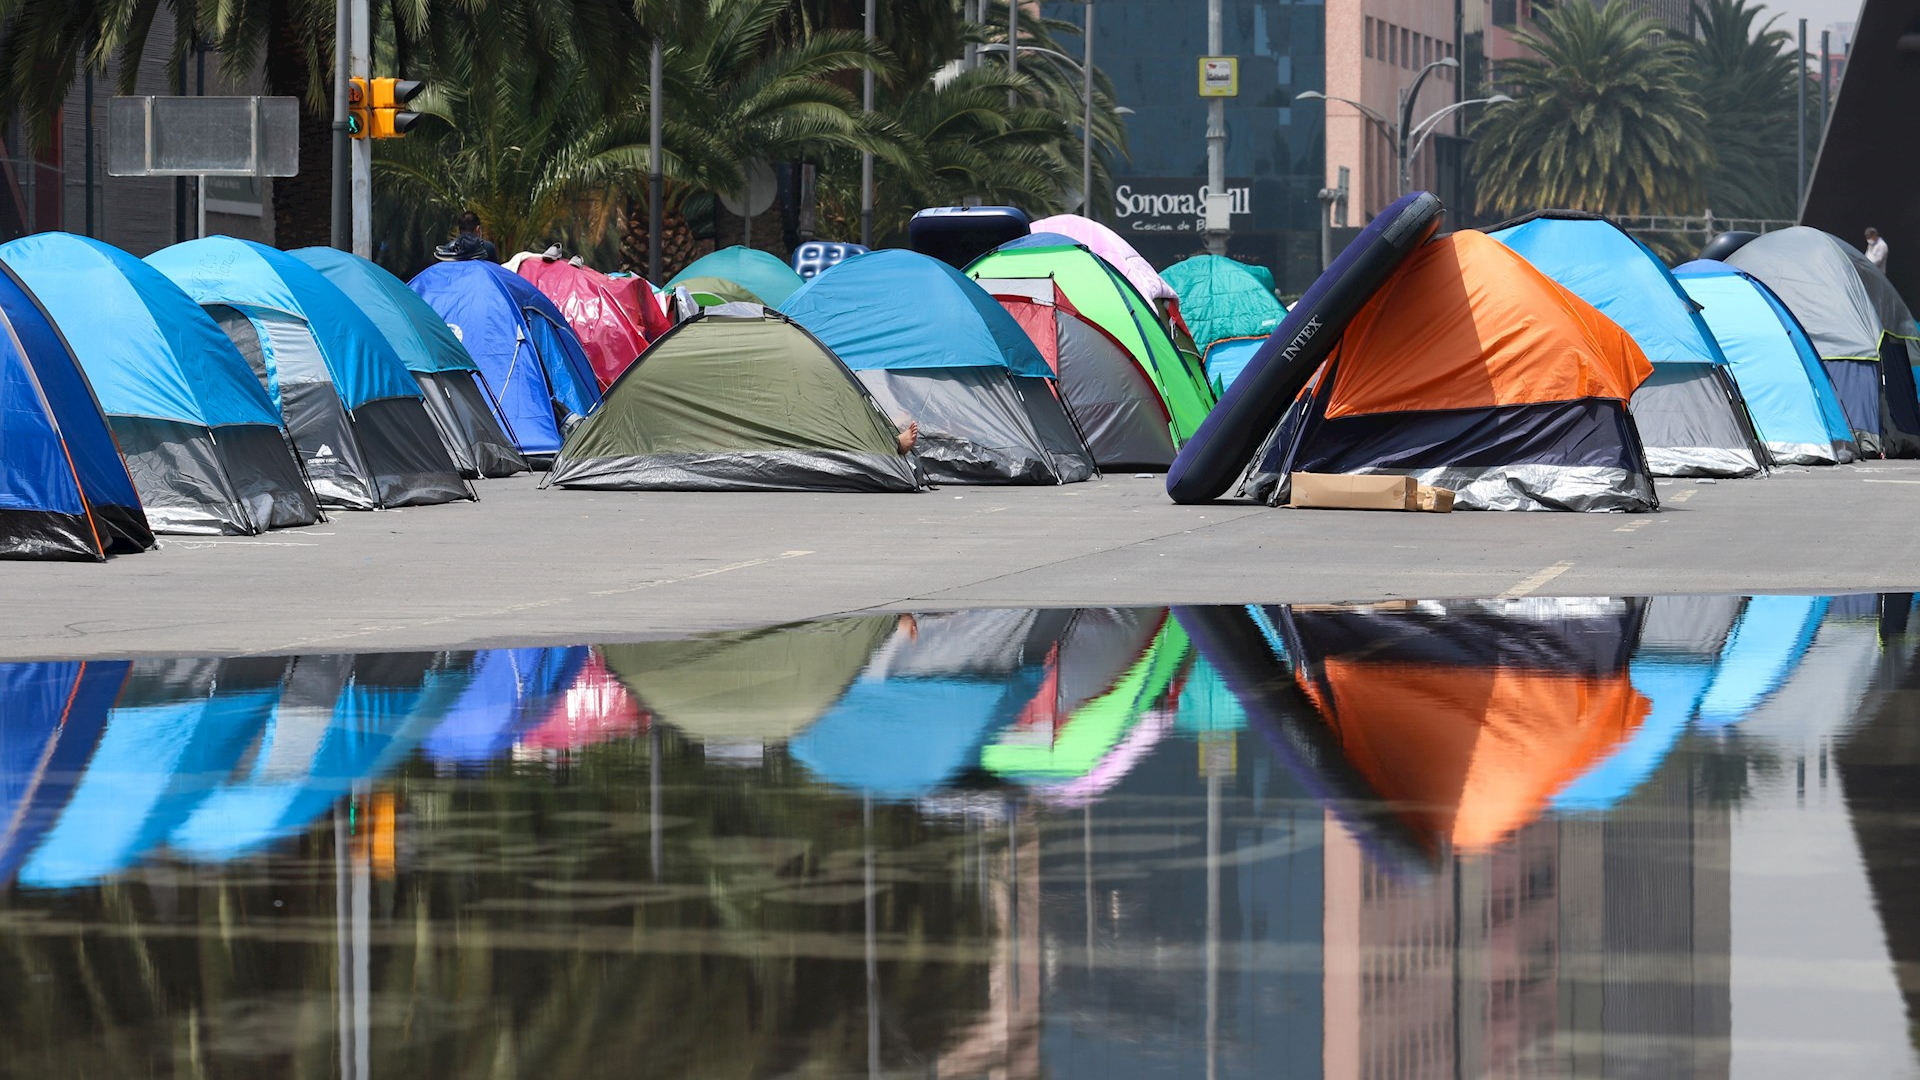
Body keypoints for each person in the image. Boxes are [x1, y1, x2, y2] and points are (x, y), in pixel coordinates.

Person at [434, 211, 499, 263]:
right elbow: (494, 271)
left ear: (459, 230)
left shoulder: (447, 250)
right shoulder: (488, 248)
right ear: (478, 229)